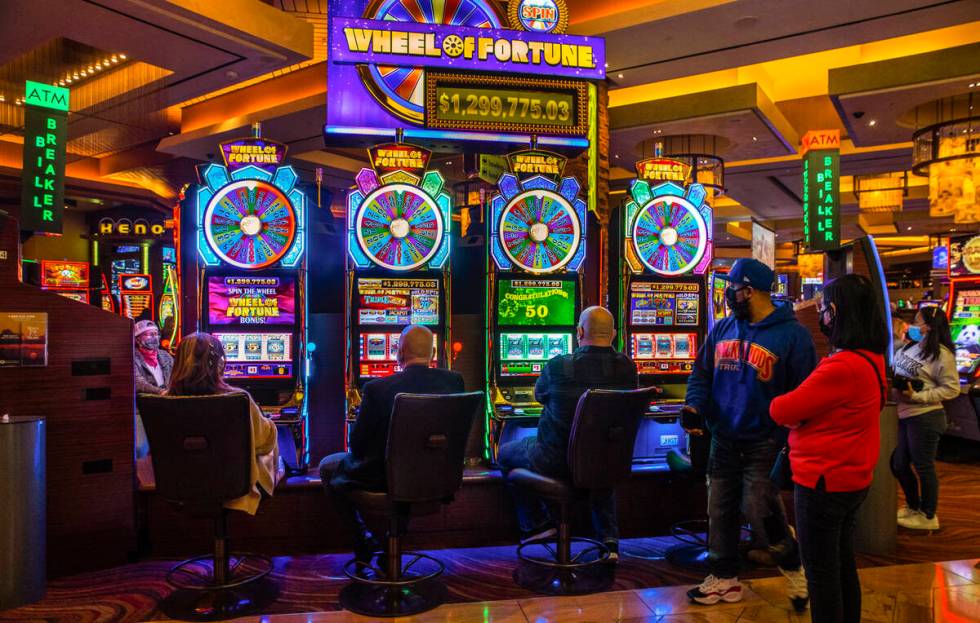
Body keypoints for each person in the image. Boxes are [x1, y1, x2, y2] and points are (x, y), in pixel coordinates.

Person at [683, 258, 815, 609]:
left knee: (760, 510)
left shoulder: (793, 335)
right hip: (723, 437)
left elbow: (805, 392)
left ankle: (795, 568)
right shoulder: (723, 328)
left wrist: (790, 438)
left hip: (767, 440)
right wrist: (695, 405)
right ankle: (724, 578)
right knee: (720, 510)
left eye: (732, 288)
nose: (728, 294)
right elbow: (701, 374)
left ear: (750, 290)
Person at [769, 274, 889, 623]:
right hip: (850, 476)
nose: (820, 316)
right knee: (841, 565)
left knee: (821, 574)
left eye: (822, 309)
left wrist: (792, 410)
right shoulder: (871, 358)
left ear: (835, 312)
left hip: (823, 479)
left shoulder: (843, 365)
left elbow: (782, 409)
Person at [496, 306, 637, 561]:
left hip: (555, 461)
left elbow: (539, 396)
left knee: (504, 453)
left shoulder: (559, 366)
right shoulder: (628, 368)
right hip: (608, 461)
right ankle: (608, 539)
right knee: (598, 450)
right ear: (614, 334)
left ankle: (537, 525)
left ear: (580, 331)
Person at [319, 325, 464, 564]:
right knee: (409, 463)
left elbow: (357, 445)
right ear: (434, 351)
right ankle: (392, 541)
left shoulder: (377, 388)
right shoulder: (454, 382)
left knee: (327, 466)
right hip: (439, 478)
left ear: (400, 351)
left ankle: (362, 540)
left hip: (385, 478)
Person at [166, 332, 280, 515]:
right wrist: (267, 421)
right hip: (234, 488)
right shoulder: (238, 399)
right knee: (272, 453)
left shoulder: (162, 402)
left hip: (179, 485)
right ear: (218, 364)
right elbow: (264, 443)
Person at [891, 305, 959, 530]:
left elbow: (951, 389)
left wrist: (919, 395)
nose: (913, 326)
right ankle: (913, 506)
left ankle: (929, 514)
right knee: (899, 464)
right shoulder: (911, 347)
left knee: (923, 466)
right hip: (905, 414)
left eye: (918, 322)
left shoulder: (942, 354)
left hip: (926, 416)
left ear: (929, 326)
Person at [134, 320, 173, 464]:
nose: (154, 337)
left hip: (167, 406)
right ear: (138, 339)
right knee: (140, 449)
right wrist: (161, 392)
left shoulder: (166, 356)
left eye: (156, 334)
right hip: (142, 408)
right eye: (149, 334)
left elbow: (176, 377)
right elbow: (138, 383)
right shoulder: (132, 357)